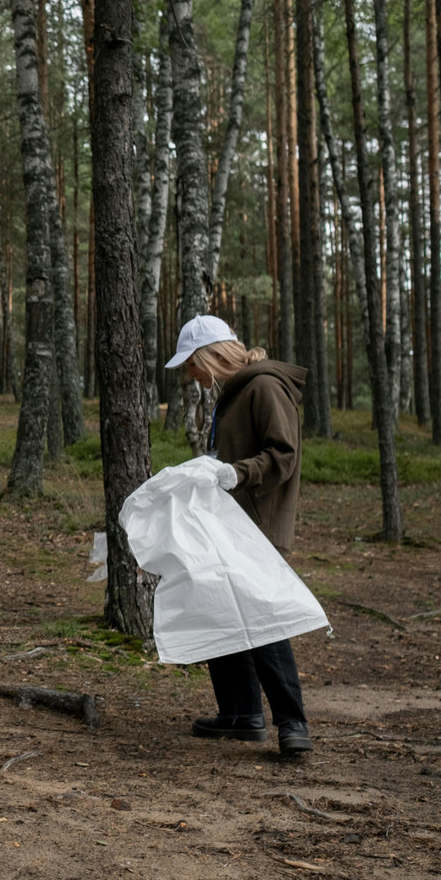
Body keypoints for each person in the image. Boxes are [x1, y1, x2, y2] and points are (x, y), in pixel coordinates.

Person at [165, 313, 313, 755]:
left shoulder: (264, 386)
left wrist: (233, 473)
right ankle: (241, 713)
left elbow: (283, 455)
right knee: (220, 610)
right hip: (231, 520)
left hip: (258, 524)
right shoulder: (233, 393)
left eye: (191, 364)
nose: (190, 375)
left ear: (210, 356)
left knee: (262, 621)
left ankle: (292, 724)